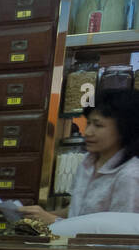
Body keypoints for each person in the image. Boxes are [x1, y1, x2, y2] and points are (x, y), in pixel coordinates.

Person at [22, 89, 139, 224]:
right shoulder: (87, 162)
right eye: (88, 123)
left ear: (124, 129)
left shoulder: (130, 176)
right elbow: (77, 210)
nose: (88, 132)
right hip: (72, 243)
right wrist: (40, 216)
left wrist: (53, 221)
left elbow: (119, 235)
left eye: (98, 125)